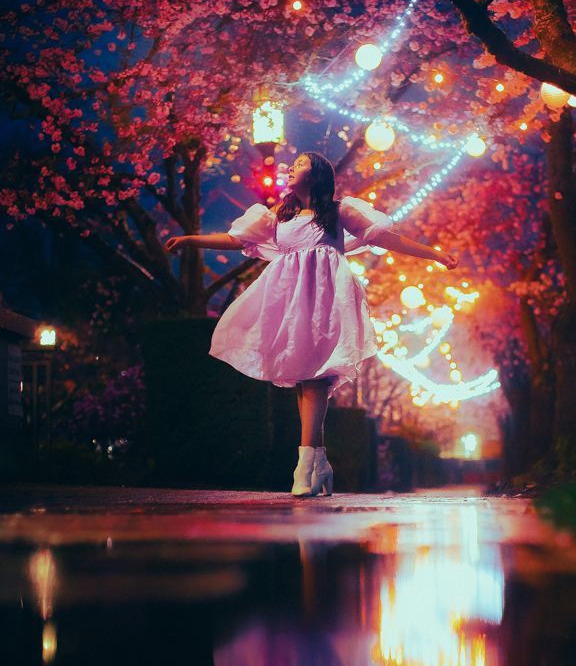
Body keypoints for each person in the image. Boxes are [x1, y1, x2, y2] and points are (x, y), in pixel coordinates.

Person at [165, 151, 458, 496]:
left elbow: (385, 239)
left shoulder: (338, 211)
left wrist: (435, 255)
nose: (291, 168)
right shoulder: (281, 214)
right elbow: (237, 240)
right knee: (304, 379)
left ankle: (304, 464)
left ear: (318, 174)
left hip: (327, 298)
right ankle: (319, 464)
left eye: (301, 164)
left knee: (317, 377)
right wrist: (190, 240)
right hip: (289, 300)